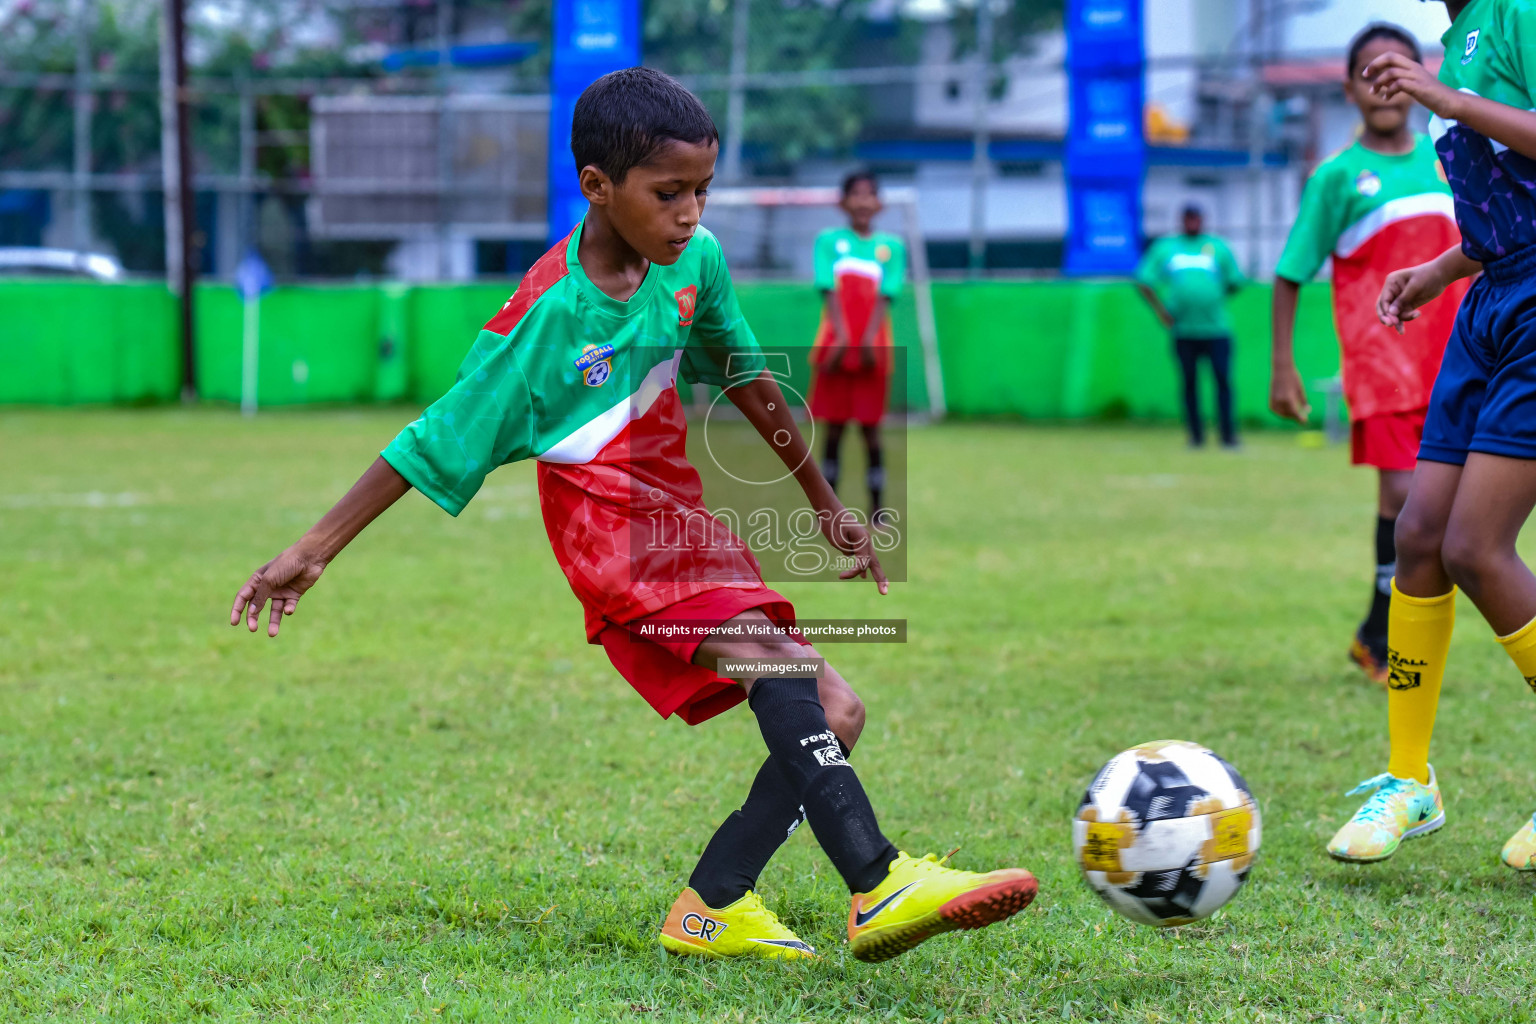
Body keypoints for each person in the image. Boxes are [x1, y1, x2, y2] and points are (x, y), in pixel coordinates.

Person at [226, 67, 1036, 962]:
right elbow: (434, 438)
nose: (690, 213)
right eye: (668, 193)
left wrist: (826, 505)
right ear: (597, 188)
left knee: (835, 710)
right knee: (776, 664)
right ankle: (878, 883)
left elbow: (745, 374)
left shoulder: (695, 260)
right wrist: (315, 547)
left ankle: (712, 905)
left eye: (702, 190)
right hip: (609, 535)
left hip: (682, 524)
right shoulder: (549, 318)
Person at [1328, 0, 1536, 872]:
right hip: (1487, 302)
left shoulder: (1519, 13)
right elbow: (1509, 205)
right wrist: (1443, 267)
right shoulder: (1457, 40)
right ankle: (1410, 783)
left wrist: (1446, 103)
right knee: (1418, 537)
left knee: (1477, 548)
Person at [1269, 23, 1466, 686]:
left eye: (1399, 68)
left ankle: (1375, 628)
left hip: (1458, 360)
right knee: (1408, 496)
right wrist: (1282, 366)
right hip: (1381, 363)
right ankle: (1387, 643)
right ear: (1350, 88)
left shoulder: (1449, 160)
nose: (1384, 83)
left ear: (1419, 79)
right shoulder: (1337, 177)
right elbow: (1291, 270)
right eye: (1370, 71)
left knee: (1437, 515)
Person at [809, 171, 907, 527]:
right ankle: (829, 509)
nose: (863, 201)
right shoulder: (827, 242)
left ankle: (877, 510)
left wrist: (866, 340)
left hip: (871, 349)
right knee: (833, 429)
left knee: (871, 429)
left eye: (870, 194)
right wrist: (843, 336)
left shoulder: (892, 248)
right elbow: (827, 290)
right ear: (843, 201)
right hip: (836, 345)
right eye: (856, 194)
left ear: (879, 203)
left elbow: (886, 297)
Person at [1135, 205, 1247, 449]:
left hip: (1217, 330)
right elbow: (1143, 280)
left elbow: (1235, 281)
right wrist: (1161, 311)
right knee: (1189, 384)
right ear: (1181, 220)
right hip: (1184, 332)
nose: (1192, 223)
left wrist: (1213, 298)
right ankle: (1196, 437)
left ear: (1203, 220)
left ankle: (1228, 436)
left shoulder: (1218, 247)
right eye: (1188, 219)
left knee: (1223, 382)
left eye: (1196, 218)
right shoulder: (1167, 248)